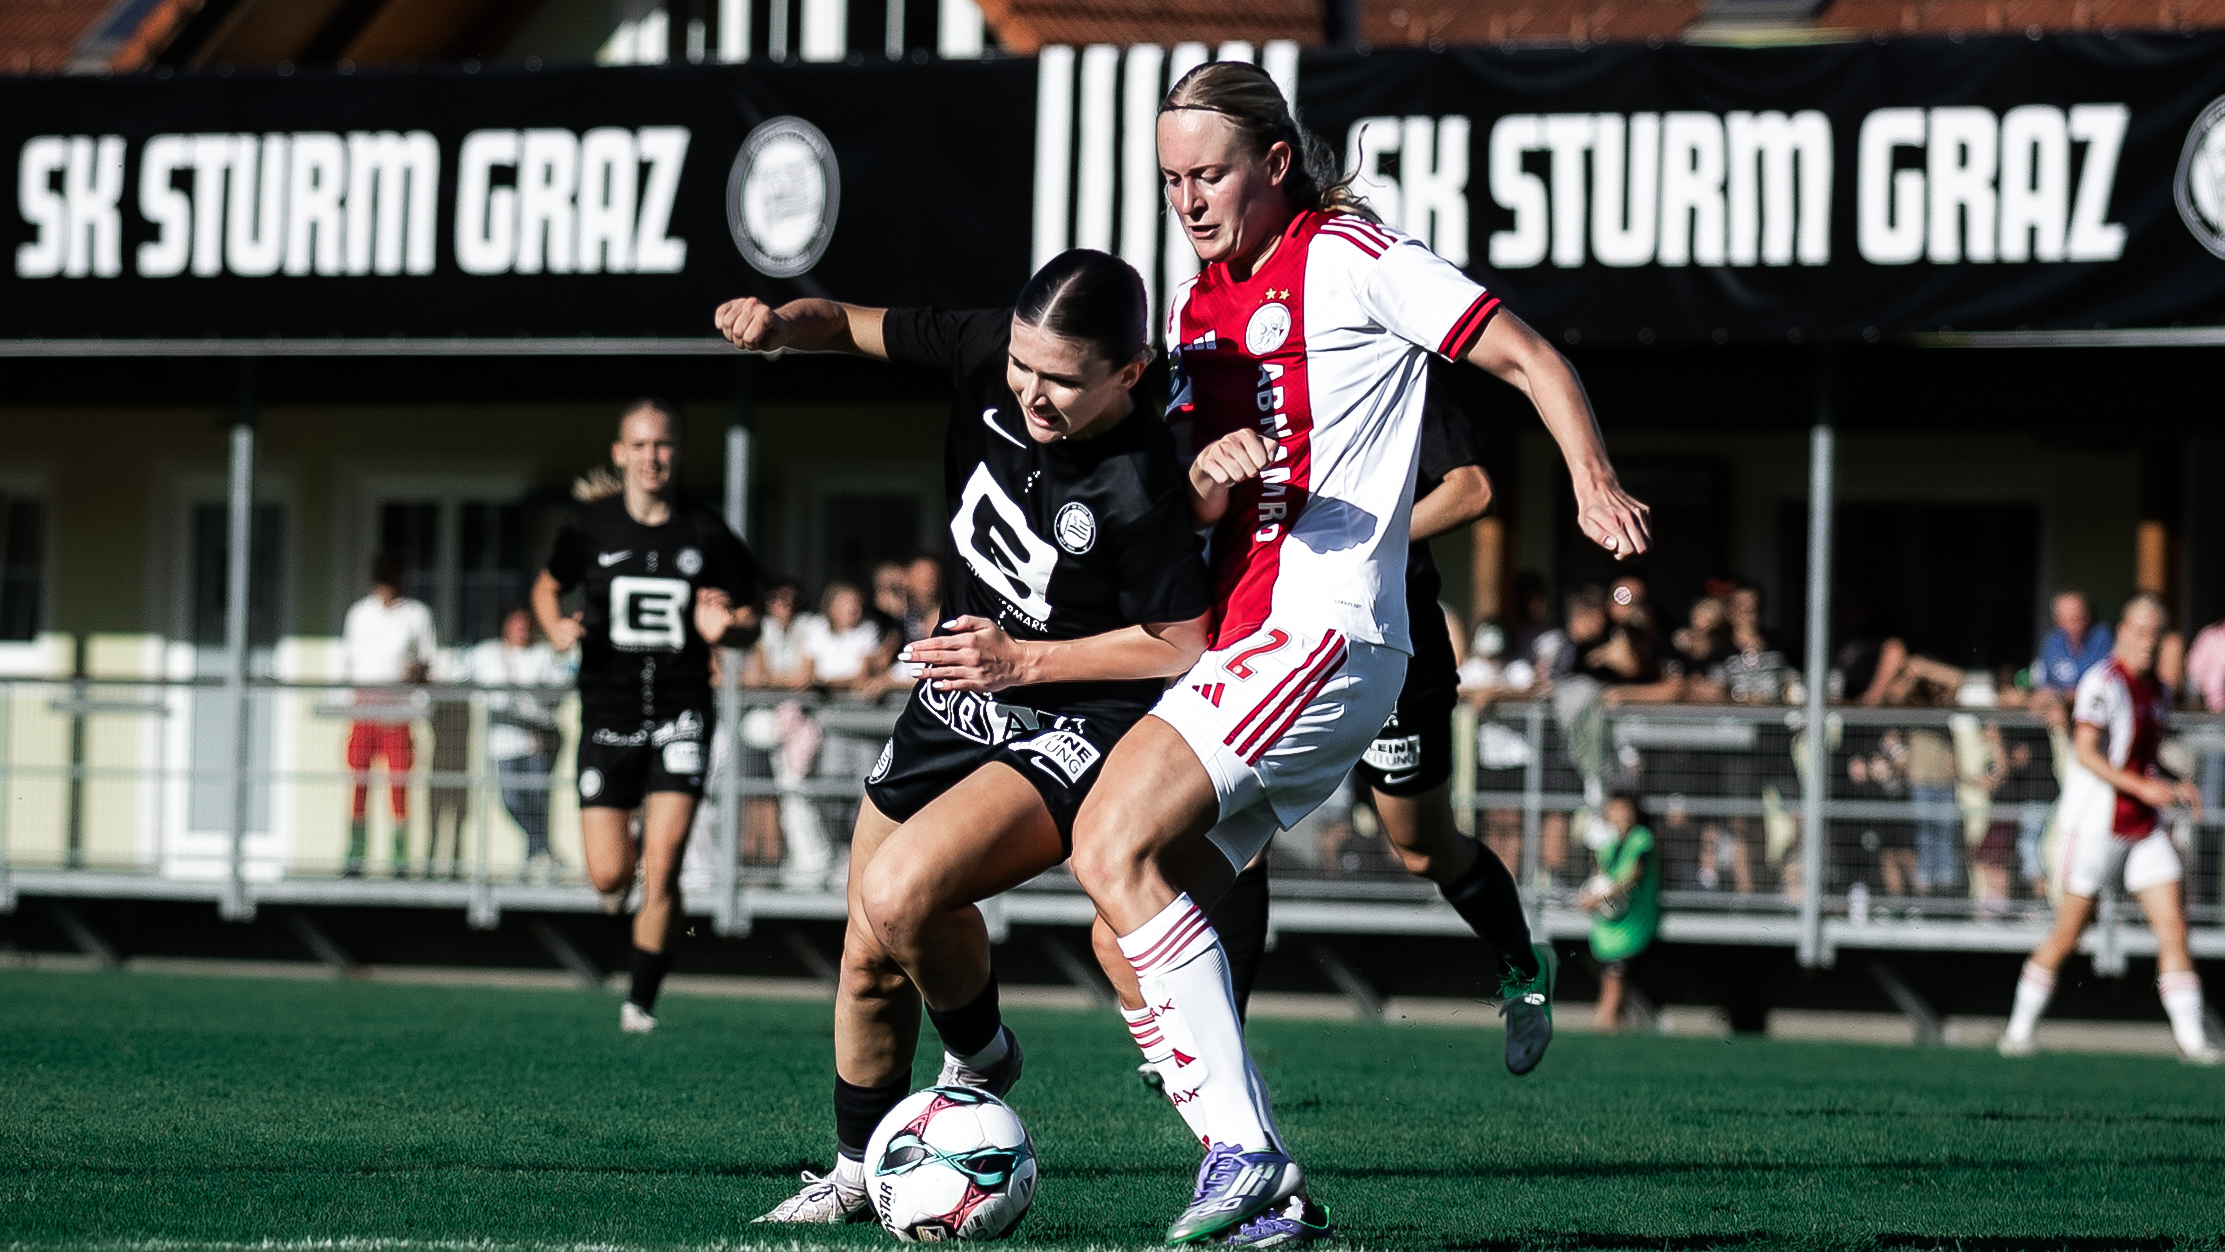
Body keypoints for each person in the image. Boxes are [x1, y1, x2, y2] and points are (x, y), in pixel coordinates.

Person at [1066, 60, 1649, 1246]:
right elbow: (1197, 508)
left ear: (1274, 164)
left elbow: (1527, 354)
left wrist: (1591, 479)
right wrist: (1205, 482)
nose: (1185, 197)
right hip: (1253, 638)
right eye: (1169, 177)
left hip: (1323, 629)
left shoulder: (1351, 257)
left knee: (1107, 841)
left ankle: (1243, 1154)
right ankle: (1266, 1191)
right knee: (1120, 924)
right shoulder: (1191, 308)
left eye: (1208, 173)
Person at [714, 249, 1215, 1225]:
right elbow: (850, 318)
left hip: (1074, 720)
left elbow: (1178, 642)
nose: (1030, 389)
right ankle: (860, 1168)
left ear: (1129, 372)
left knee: (900, 890)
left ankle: (978, 1053)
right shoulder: (992, 349)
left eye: (1062, 377)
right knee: (865, 944)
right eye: (1023, 365)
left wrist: (1022, 663)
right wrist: (783, 329)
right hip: (962, 684)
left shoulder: (1140, 476)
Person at [1206, 382, 1557, 1076]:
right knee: (1239, 835)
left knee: (1422, 846)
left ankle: (1524, 965)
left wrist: (1359, 541)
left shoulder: (1399, 380)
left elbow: (1472, 490)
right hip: (1274, 635)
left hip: (1389, 638)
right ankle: (1218, 1050)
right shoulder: (1259, 375)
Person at [533, 399, 760, 1035]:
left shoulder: (707, 532)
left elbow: (751, 614)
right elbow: (547, 586)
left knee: (663, 865)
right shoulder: (589, 526)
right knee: (609, 876)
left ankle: (640, 1003)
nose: (651, 457)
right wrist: (556, 630)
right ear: (619, 453)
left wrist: (729, 629)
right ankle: (633, 886)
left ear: (677, 453)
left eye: (662, 445)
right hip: (607, 713)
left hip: (682, 712)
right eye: (639, 445)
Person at [1999, 594, 2220, 1063]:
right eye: (2140, 632)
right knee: (2068, 935)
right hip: (2097, 826)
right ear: (2121, 632)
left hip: (2143, 829)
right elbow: (2087, 752)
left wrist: (2176, 784)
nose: (2147, 642)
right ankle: (2017, 1032)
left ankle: (2193, 1041)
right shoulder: (2102, 680)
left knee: (2175, 929)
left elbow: (2141, 755)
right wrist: (2144, 787)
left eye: (2155, 635)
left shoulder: (2158, 691)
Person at [339, 554, 436, 878]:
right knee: (359, 782)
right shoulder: (359, 614)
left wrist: (416, 674)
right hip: (364, 709)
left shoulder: (416, 615)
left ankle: (399, 856)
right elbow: (350, 663)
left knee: (398, 784)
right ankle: (355, 852)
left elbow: (428, 662)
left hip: (398, 711)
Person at [468, 605, 576, 881]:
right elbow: (458, 674)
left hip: (536, 742)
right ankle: (545, 851)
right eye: (516, 624)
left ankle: (533, 863)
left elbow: (560, 690)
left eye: (526, 624)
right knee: (511, 800)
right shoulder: (486, 654)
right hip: (504, 744)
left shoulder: (543, 655)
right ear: (505, 626)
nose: (521, 629)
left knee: (538, 803)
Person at [1577, 793, 1658, 1033]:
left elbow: (1633, 877)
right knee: (1611, 975)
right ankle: (1614, 1025)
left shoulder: (1641, 839)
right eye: (1614, 810)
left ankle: (1603, 1022)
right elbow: (1600, 876)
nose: (1619, 816)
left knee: (1614, 977)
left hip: (1633, 924)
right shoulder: (1608, 845)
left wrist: (1601, 898)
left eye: (1623, 810)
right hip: (1610, 927)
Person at [2031, 589, 2113, 718]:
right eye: (2068, 619)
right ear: (2057, 620)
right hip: (2055, 714)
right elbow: (2043, 688)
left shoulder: (2103, 638)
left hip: (2093, 715)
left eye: (2080, 618)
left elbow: (2103, 692)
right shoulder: (2051, 642)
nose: (2075, 626)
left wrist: (2062, 697)